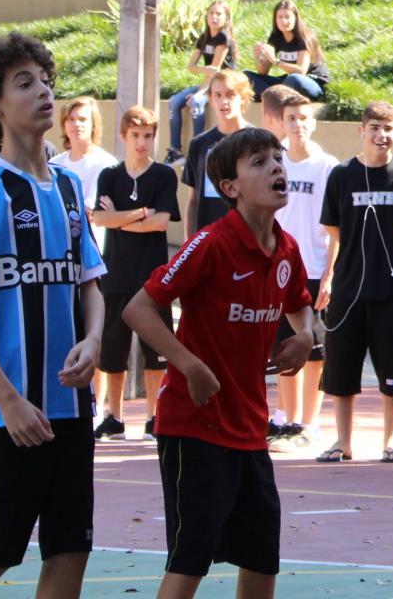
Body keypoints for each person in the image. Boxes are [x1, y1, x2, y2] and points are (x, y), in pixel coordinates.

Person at [123, 127, 315, 599]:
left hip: (250, 427)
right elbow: (138, 309)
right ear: (229, 187)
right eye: (259, 162)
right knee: (191, 560)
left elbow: (299, 304)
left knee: (261, 559)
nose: (275, 167)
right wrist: (188, 365)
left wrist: (306, 336)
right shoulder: (211, 243)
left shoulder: (286, 248)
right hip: (194, 427)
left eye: (277, 158)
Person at [0, 32, 106, 597]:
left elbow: (91, 283)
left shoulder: (73, 189)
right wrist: (8, 398)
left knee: (70, 551)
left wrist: (95, 339)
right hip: (8, 412)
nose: (43, 91)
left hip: (71, 407)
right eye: (24, 83)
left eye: (46, 80)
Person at [316, 102, 393, 463]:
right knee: (341, 372)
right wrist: (329, 278)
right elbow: (333, 229)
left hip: (391, 291)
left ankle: (390, 440)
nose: (381, 135)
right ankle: (342, 441)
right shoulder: (341, 174)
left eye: (388, 128)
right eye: (374, 127)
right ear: (361, 131)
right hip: (348, 290)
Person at [90, 105, 179, 442]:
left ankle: (154, 416)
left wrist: (121, 217)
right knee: (113, 349)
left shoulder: (164, 176)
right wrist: (139, 213)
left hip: (153, 277)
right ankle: (113, 416)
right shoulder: (109, 176)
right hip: (116, 273)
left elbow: (160, 223)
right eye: (135, 135)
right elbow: (100, 219)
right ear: (124, 136)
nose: (141, 142)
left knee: (154, 350)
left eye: (147, 136)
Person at [269, 92, 338, 449]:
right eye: (292, 118)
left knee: (314, 349)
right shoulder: (274, 161)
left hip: (313, 268)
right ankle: (286, 417)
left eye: (304, 119)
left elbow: (335, 231)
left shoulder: (327, 167)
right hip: (279, 270)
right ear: (283, 122)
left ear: (313, 123)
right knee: (283, 346)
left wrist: (328, 275)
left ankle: (309, 422)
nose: (298, 125)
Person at [183, 70, 254, 233]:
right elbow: (193, 200)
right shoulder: (199, 144)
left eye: (230, 94)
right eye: (218, 95)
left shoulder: (258, 141)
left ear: (243, 98)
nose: (224, 101)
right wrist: (189, 245)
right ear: (211, 99)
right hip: (207, 240)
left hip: (244, 241)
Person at [166, 0, 237, 162]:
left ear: (226, 18)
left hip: (224, 84)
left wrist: (200, 92)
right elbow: (192, 66)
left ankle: (198, 150)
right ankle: (175, 151)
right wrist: (204, 71)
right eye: (211, 13)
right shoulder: (204, 38)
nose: (214, 17)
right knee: (174, 102)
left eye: (219, 14)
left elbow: (216, 71)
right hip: (209, 81)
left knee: (196, 102)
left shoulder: (223, 37)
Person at [51, 96, 117, 245]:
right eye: (70, 119)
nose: (76, 124)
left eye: (82, 119)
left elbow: (90, 213)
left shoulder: (106, 164)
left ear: (94, 124)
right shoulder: (53, 164)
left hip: (92, 249)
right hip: (58, 248)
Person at [246, 0, 329, 102]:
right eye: (280, 17)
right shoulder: (276, 37)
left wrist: (276, 61)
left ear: (296, 18)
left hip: (310, 83)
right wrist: (259, 57)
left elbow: (301, 71)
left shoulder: (304, 38)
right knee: (246, 76)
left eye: (287, 17)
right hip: (288, 82)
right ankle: (270, 96)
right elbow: (263, 72)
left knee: (293, 79)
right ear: (275, 19)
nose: (283, 21)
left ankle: (275, 95)